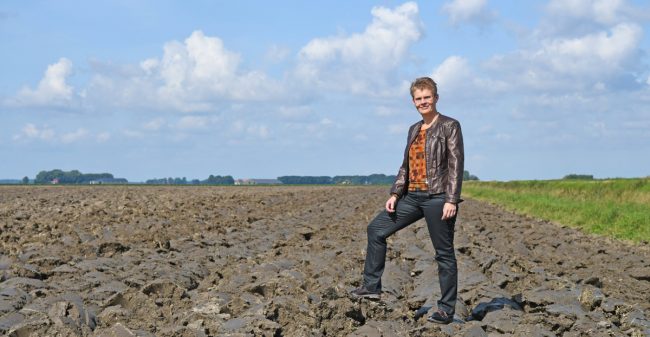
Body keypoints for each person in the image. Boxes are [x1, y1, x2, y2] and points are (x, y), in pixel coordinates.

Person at [350, 77, 464, 325]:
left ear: (436, 98)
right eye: (418, 98)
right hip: (412, 197)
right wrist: (395, 194)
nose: (423, 102)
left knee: (444, 254)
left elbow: (456, 164)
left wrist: (451, 199)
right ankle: (371, 286)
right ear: (413, 101)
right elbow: (406, 166)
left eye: (427, 97)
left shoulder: (449, 126)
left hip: (437, 199)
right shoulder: (414, 129)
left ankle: (446, 310)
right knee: (376, 229)